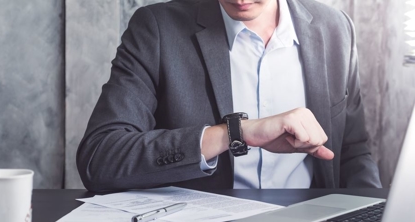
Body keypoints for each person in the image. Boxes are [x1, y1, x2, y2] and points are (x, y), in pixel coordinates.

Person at [77, 0, 382, 192]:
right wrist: (235, 133)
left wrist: (373, 217)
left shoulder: (336, 28)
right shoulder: (157, 28)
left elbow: (353, 151)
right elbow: (99, 158)